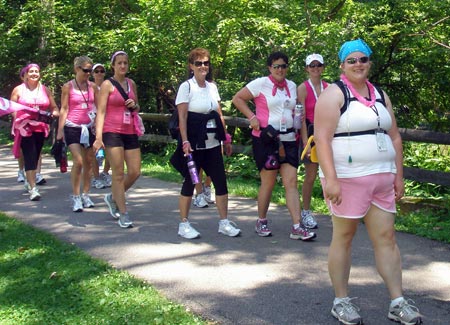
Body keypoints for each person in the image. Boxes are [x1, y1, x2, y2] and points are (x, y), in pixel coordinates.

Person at [314, 39, 422, 325]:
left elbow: (395, 136)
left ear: (370, 62)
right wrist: (331, 180)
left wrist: (399, 175)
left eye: (363, 59)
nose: (358, 64)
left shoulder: (380, 94)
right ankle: (341, 301)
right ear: (342, 65)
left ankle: (398, 302)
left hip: (381, 180)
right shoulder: (333, 95)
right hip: (347, 181)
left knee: (386, 238)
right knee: (344, 238)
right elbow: (322, 139)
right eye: (352, 60)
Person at [232, 51, 316, 241]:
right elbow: (238, 98)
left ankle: (297, 226)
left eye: (283, 66)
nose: (280, 69)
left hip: (289, 139)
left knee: (291, 182)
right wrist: (252, 117)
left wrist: (302, 133)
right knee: (268, 183)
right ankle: (261, 220)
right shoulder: (261, 83)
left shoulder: (292, 86)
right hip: (267, 139)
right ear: (270, 68)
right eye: (276, 66)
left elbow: (298, 113)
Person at [170, 47, 240, 239]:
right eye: (198, 63)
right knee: (190, 182)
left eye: (206, 63)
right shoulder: (187, 87)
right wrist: (184, 141)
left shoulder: (212, 87)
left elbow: (218, 114)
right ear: (191, 66)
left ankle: (224, 222)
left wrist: (225, 138)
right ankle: (183, 224)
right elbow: (182, 117)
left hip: (212, 143)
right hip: (194, 143)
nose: (203, 66)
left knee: (220, 182)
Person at [93, 51, 142, 228]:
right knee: (118, 173)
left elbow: (137, 107)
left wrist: (134, 105)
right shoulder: (107, 85)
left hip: (129, 131)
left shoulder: (131, 84)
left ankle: (113, 197)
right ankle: (123, 212)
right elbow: (101, 112)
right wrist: (98, 137)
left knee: (135, 171)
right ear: (113, 65)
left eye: (125, 63)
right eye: (119, 63)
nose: (122, 66)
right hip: (111, 131)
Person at [10, 63, 59, 201]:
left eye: (36, 71)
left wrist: (54, 114)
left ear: (39, 74)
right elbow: (12, 108)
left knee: (36, 155)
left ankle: (29, 179)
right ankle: (33, 188)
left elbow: (54, 107)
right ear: (25, 74)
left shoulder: (45, 90)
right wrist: (18, 120)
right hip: (25, 128)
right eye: (31, 71)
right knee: (30, 156)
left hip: (41, 128)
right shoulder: (18, 90)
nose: (34, 74)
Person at [58, 56, 98, 212]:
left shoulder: (93, 87)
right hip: (72, 126)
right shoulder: (68, 87)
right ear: (77, 69)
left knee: (88, 161)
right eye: (86, 70)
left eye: (90, 70)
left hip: (88, 127)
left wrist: (98, 125)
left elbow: (99, 107)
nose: (88, 73)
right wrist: (60, 131)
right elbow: (64, 108)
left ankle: (85, 194)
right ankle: (75, 196)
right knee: (79, 160)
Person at [296, 53, 329, 229]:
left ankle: (337, 210)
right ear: (307, 68)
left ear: (323, 67)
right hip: (310, 134)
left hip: (327, 134)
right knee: (310, 176)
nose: (315, 68)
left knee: (332, 174)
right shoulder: (302, 88)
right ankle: (306, 212)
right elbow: (300, 118)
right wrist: (305, 144)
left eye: (318, 65)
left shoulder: (329, 87)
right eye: (312, 65)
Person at [90, 63, 112, 189]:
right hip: (93, 120)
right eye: (96, 71)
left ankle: (105, 172)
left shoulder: (109, 86)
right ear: (92, 74)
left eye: (101, 71)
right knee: (94, 149)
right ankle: (96, 176)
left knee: (109, 148)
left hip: (108, 120)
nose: (99, 73)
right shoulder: (90, 87)